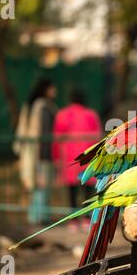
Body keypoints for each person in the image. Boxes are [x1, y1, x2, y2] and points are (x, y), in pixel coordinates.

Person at [52, 88, 102, 231]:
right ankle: (86, 219)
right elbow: (98, 136)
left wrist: (56, 157)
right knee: (87, 190)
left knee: (71, 191)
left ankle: (72, 221)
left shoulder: (62, 115)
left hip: (70, 159)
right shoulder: (91, 115)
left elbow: (56, 139)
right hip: (88, 158)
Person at [13, 77, 57, 225]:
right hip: (41, 152)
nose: (54, 91)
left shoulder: (32, 105)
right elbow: (44, 132)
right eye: (52, 88)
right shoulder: (43, 107)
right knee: (41, 185)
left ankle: (35, 216)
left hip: (32, 151)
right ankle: (39, 218)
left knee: (36, 186)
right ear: (46, 89)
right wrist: (46, 155)